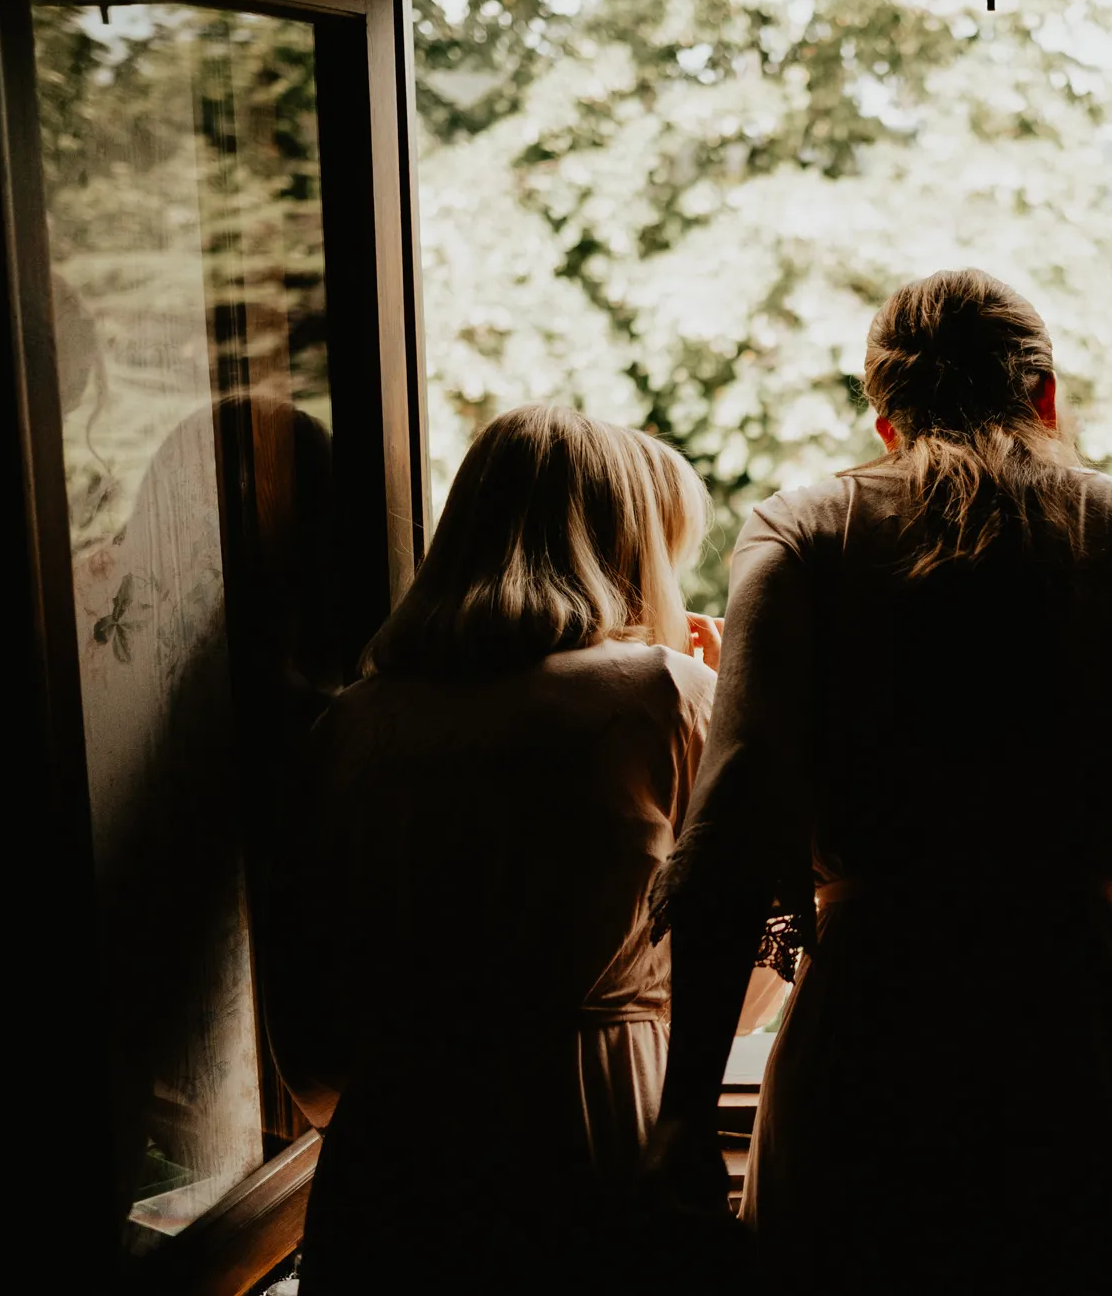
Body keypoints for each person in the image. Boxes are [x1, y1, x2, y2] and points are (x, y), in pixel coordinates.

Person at [644, 269, 1112, 1294]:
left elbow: (725, 839)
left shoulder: (800, 535)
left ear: (883, 417)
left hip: (863, 1044)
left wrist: (683, 1121)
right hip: (1075, 1043)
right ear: (1043, 396)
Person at [285, 404, 778, 1291]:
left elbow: (310, 1036)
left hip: (390, 1163)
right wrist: (719, 708)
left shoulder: (349, 724)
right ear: (624, 553)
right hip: (589, 1136)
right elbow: (746, 982)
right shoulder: (665, 696)